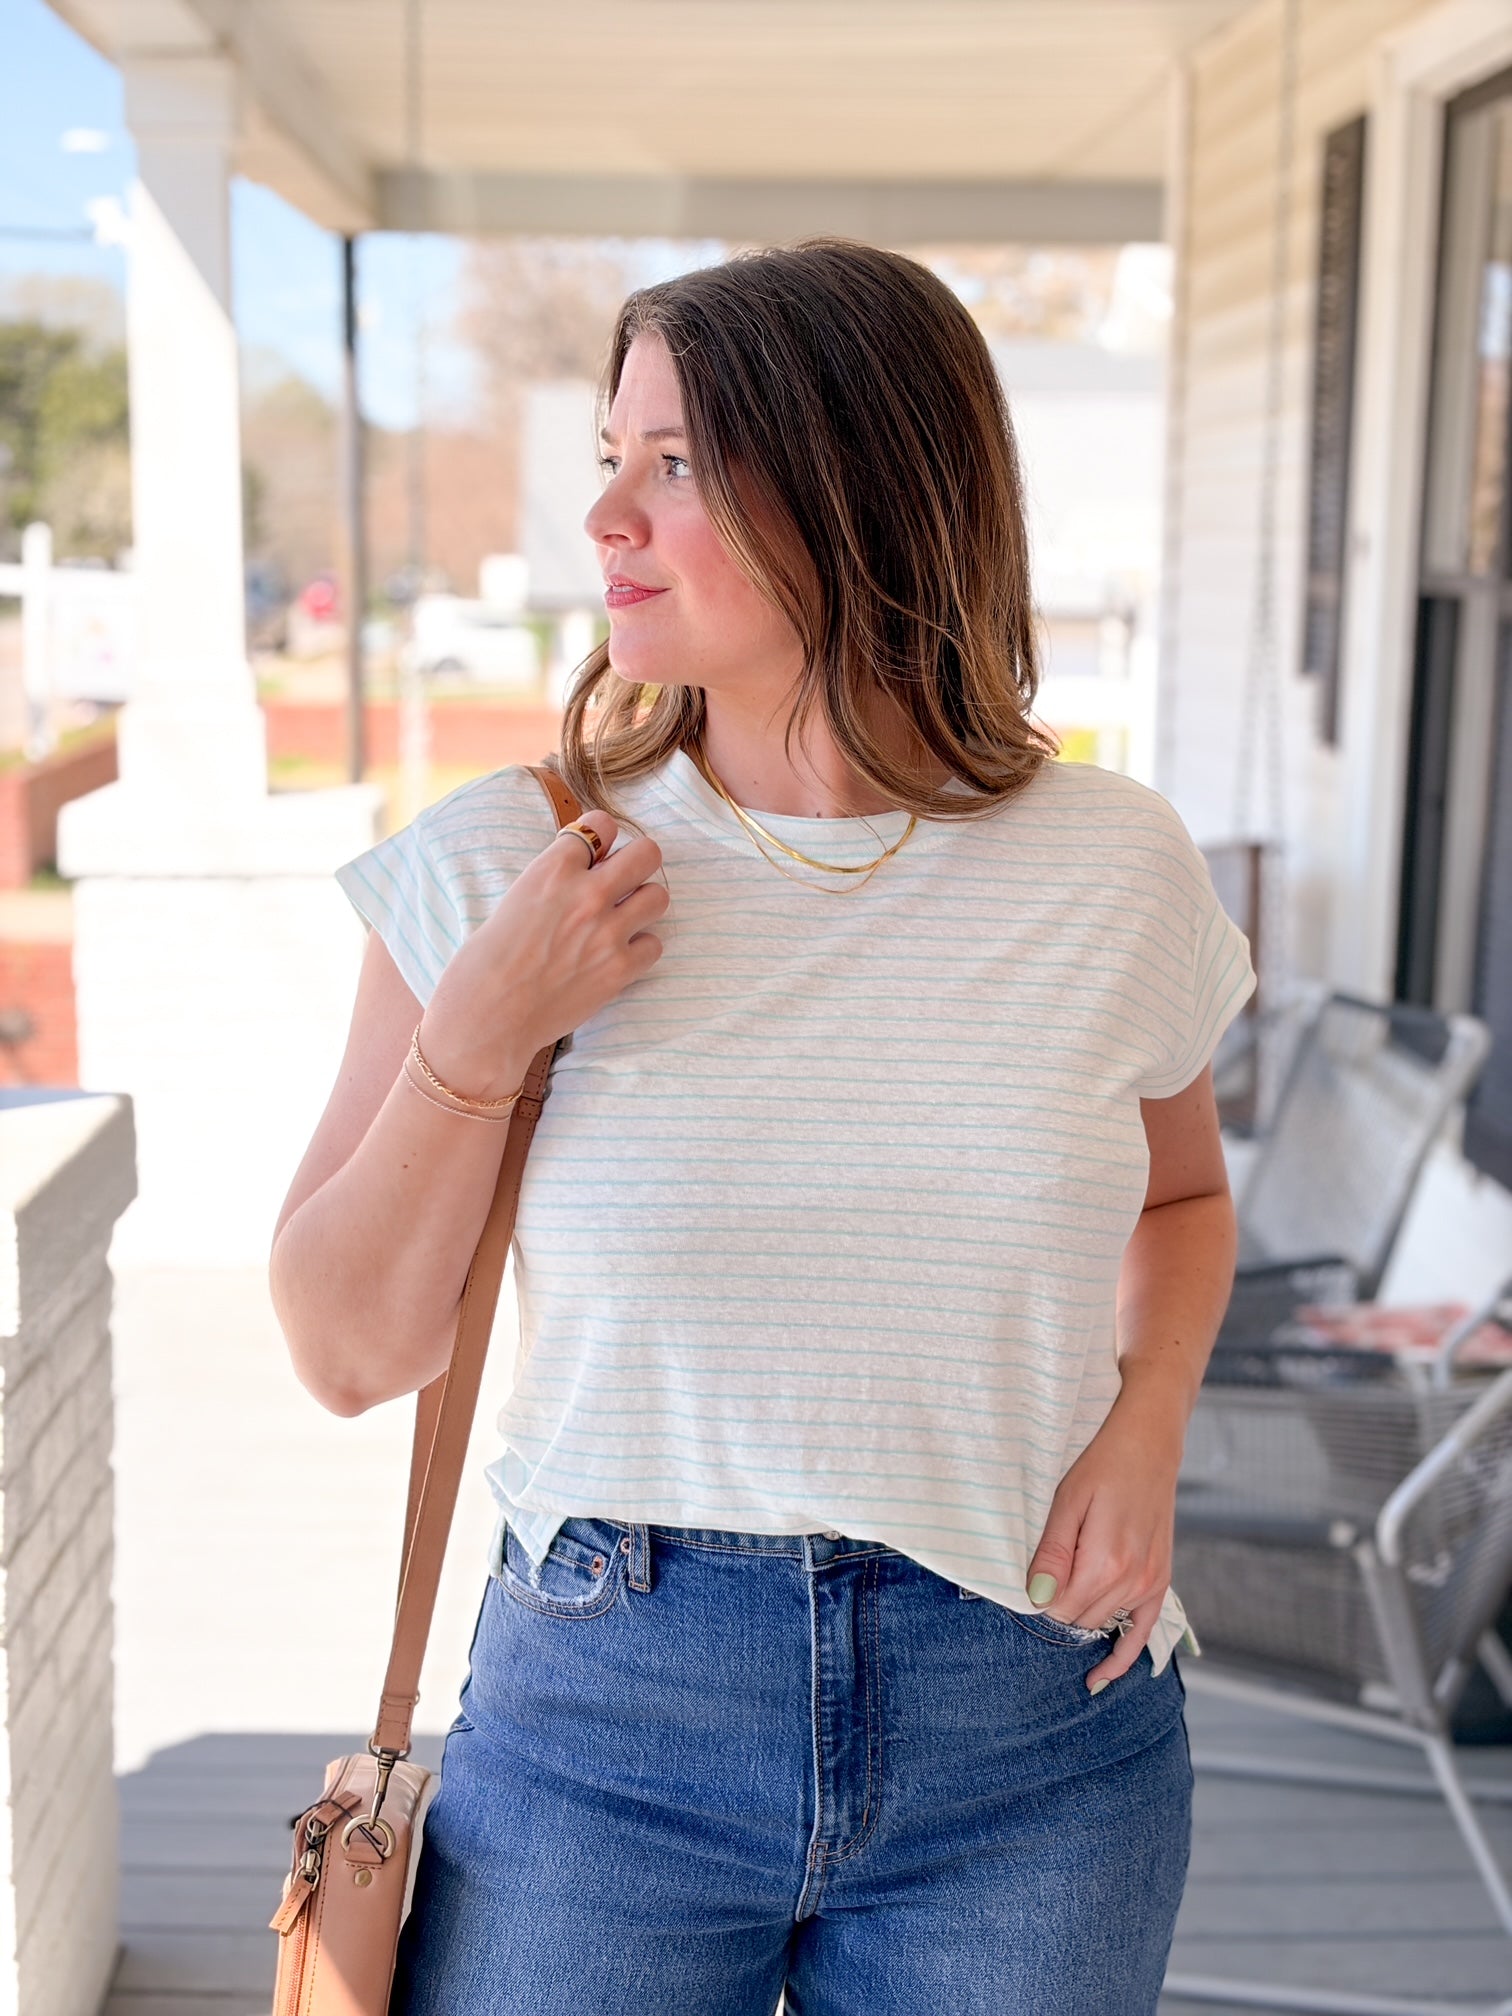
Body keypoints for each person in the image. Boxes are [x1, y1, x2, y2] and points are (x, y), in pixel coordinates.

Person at [269, 238, 1255, 2016]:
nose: (607, 522)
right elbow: (347, 1351)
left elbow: (1182, 1200)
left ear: (864, 488)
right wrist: (482, 1033)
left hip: (1036, 1731)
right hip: (604, 1727)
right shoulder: (517, 860)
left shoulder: (1114, 865)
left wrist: (1149, 1422)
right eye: (610, 460)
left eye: (676, 466)